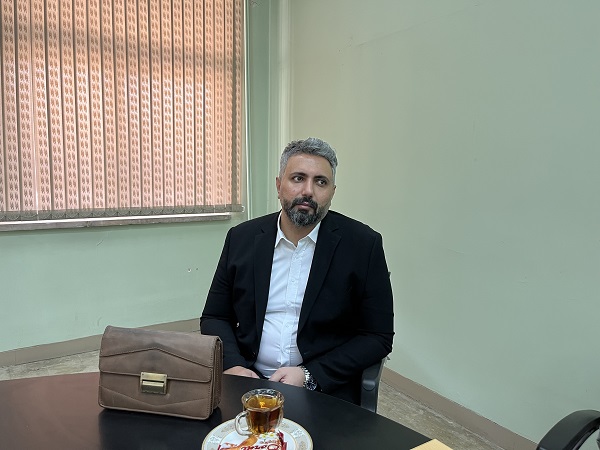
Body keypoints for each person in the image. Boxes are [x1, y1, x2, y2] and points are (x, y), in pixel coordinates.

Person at [200, 137, 394, 404]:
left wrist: (309, 375)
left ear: (332, 192)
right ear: (279, 185)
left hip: (322, 388)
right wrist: (233, 365)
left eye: (320, 182)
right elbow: (215, 316)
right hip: (248, 378)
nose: (308, 191)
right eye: (298, 178)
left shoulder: (363, 245)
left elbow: (378, 336)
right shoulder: (241, 238)